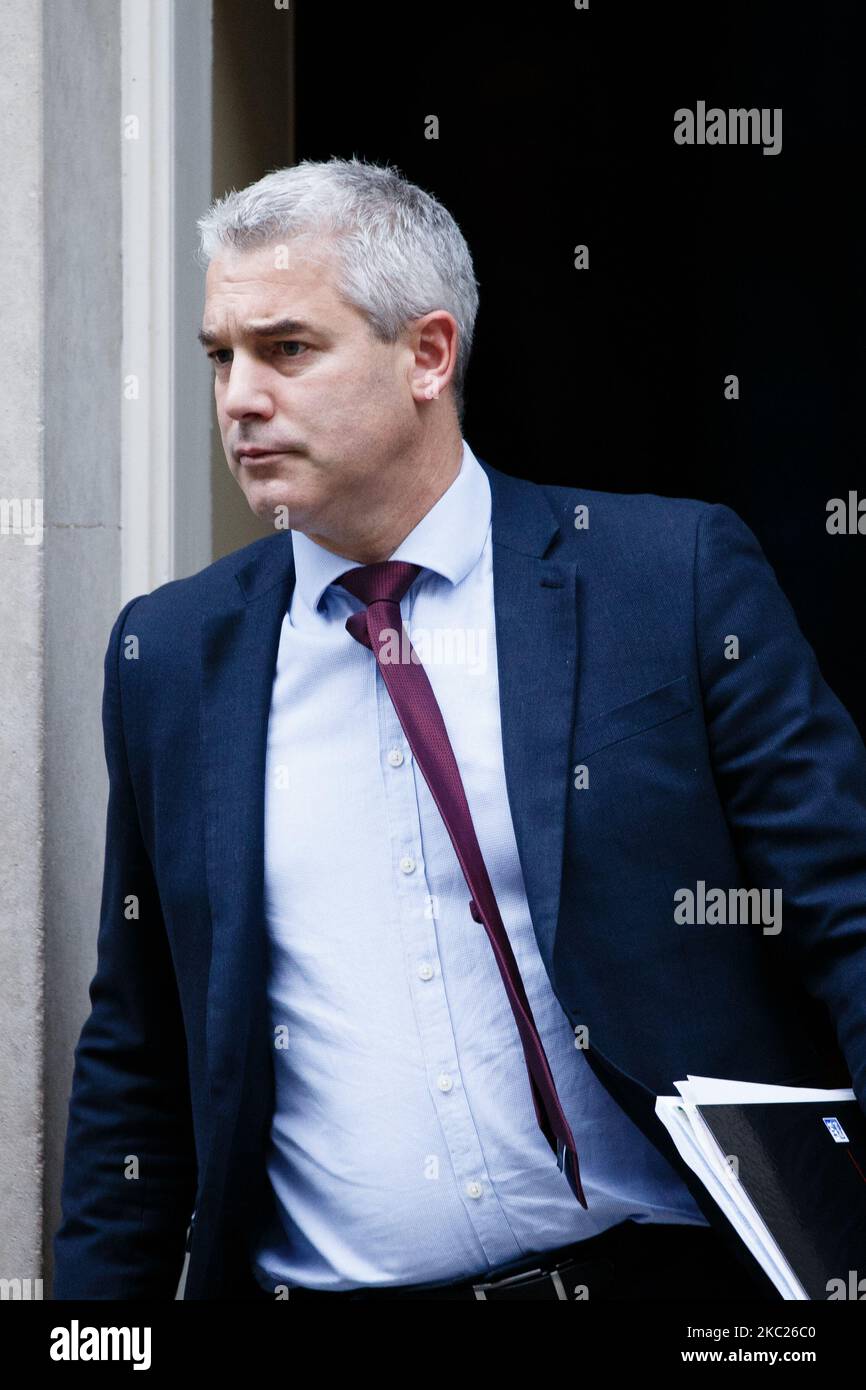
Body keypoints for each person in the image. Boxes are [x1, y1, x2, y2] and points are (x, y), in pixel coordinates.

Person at [54, 157, 866, 1302]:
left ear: (427, 354)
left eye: (286, 348)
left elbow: (845, 911)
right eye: (219, 356)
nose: (238, 396)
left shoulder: (665, 578)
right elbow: (137, 1053)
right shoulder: (170, 655)